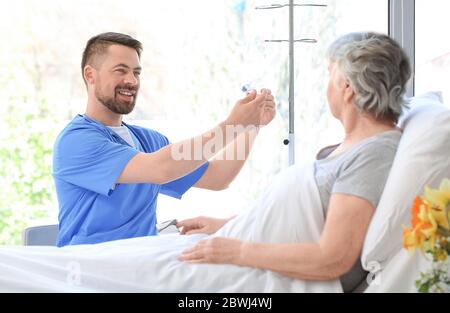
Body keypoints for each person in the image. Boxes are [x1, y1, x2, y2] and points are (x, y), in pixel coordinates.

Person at [177, 32, 412, 293]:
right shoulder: (356, 146)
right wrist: (228, 225)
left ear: (347, 88)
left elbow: (332, 259)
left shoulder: (375, 154)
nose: (326, 86)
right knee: (131, 259)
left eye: (328, 74)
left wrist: (237, 250)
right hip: (240, 246)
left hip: (261, 272)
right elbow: (308, 217)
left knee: (132, 269)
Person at [53, 32, 276, 247]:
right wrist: (233, 124)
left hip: (142, 264)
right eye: (120, 71)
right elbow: (161, 169)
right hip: (91, 268)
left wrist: (250, 125)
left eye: (136, 72)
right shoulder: (76, 142)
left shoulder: (148, 141)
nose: (131, 80)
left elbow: (218, 177)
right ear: (90, 75)